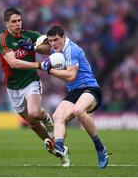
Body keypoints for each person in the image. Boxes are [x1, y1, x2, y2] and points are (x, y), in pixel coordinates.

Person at [41, 25, 109, 168]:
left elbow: (71, 76)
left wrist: (49, 70)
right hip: (75, 92)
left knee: (78, 111)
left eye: (56, 40)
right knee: (57, 116)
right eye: (51, 41)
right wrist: (32, 48)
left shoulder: (72, 49)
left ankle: (100, 149)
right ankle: (59, 147)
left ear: (64, 37)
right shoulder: (56, 48)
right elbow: (44, 46)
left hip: (90, 89)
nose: (53, 44)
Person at [0, 7, 54, 150]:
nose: (18, 24)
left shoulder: (30, 35)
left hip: (31, 81)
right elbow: (13, 63)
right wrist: (39, 65)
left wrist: (34, 47)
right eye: (14, 21)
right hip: (13, 87)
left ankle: (47, 119)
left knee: (34, 112)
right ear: (6, 24)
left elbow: (49, 48)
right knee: (33, 123)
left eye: (19, 21)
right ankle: (53, 146)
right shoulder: (3, 39)